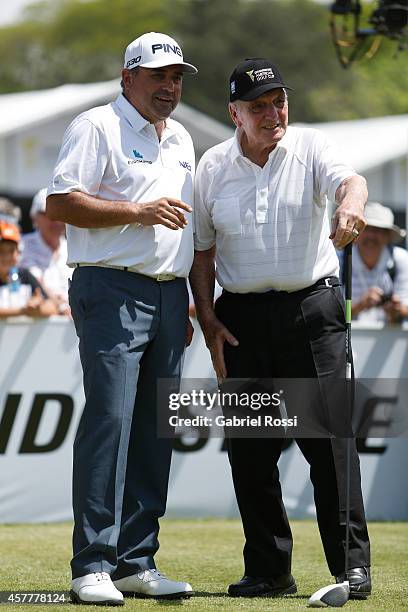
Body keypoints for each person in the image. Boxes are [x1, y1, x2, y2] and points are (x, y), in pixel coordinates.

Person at [190, 58, 371, 599]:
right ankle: (269, 570)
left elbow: (351, 183)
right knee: (250, 450)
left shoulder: (312, 146)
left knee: (330, 447)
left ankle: (351, 569)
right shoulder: (212, 166)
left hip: (312, 312)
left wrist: (352, 207)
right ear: (234, 114)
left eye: (278, 101)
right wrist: (207, 318)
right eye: (258, 106)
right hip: (242, 318)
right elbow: (202, 252)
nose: (273, 113)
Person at [46, 32, 197, 605]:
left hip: (166, 296)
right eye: (158, 76)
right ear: (128, 77)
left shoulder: (181, 137)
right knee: (110, 420)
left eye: (177, 77)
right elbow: (59, 202)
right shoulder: (96, 126)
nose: (169, 87)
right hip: (109, 289)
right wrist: (136, 212)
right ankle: (93, 564)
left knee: (156, 429)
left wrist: (182, 298)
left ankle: (137, 562)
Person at [346, 201, 408, 323]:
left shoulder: (401, 259)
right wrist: (360, 305)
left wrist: (396, 310)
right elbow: (329, 313)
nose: (371, 236)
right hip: (347, 340)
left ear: (388, 237)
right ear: (356, 233)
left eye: (378, 230)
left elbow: (405, 309)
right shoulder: (340, 259)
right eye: (367, 228)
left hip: (388, 339)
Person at [20, 188, 71, 315]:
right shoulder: (22, 246)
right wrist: (62, 307)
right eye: (47, 213)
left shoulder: (74, 249)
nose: (55, 220)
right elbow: (36, 281)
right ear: (34, 218)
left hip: (73, 325)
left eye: (60, 214)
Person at [0, 220, 57, 318]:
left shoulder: (25, 275)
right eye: (1, 251)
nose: (7, 256)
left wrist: (37, 307)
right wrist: (23, 311)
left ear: (18, 253)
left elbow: (52, 308)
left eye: (11, 251)